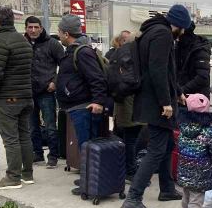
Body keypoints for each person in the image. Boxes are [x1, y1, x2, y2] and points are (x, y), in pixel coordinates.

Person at [121, 4, 190, 208]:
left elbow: (166, 71)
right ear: (178, 25)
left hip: (152, 100)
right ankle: (134, 198)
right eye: (183, 29)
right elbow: (157, 69)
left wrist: (178, 92)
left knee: (167, 145)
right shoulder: (163, 34)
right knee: (156, 150)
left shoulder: (152, 30)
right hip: (157, 104)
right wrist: (165, 102)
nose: (183, 33)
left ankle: (167, 189)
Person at [55, 14, 109, 194]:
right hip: (77, 106)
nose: (59, 35)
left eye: (59, 32)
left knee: (87, 147)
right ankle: (89, 180)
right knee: (85, 146)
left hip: (84, 107)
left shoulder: (82, 52)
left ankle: (90, 183)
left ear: (66, 33)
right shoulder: (74, 51)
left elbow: (97, 79)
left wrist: (98, 102)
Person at [0, 6, 34, 190]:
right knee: (24, 136)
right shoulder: (22, 40)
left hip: (7, 98)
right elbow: (16, 67)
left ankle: (13, 177)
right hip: (26, 96)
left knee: (10, 139)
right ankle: (27, 174)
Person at [176, 93, 212, 208]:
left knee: (186, 195)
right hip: (200, 172)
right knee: (196, 199)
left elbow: (179, 146)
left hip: (184, 169)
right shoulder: (207, 131)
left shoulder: (183, 128)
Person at [24, 16, 64, 168]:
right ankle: (37, 154)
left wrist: (55, 82)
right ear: (26, 28)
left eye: (36, 27)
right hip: (28, 92)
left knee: (50, 125)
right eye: (30, 27)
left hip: (47, 91)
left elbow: (64, 65)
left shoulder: (52, 44)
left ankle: (53, 155)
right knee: (32, 126)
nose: (33, 30)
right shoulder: (23, 43)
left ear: (41, 28)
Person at [109, 31, 143, 182]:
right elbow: (132, 81)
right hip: (130, 103)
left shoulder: (118, 54)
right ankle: (131, 171)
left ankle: (126, 169)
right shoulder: (130, 56)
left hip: (124, 102)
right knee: (131, 139)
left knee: (128, 138)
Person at [175, 22, 212, 98]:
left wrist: (181, 91)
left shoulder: (200, 49)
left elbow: (202, 77)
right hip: (181, 96)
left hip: (196, 99)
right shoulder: (179, 47)